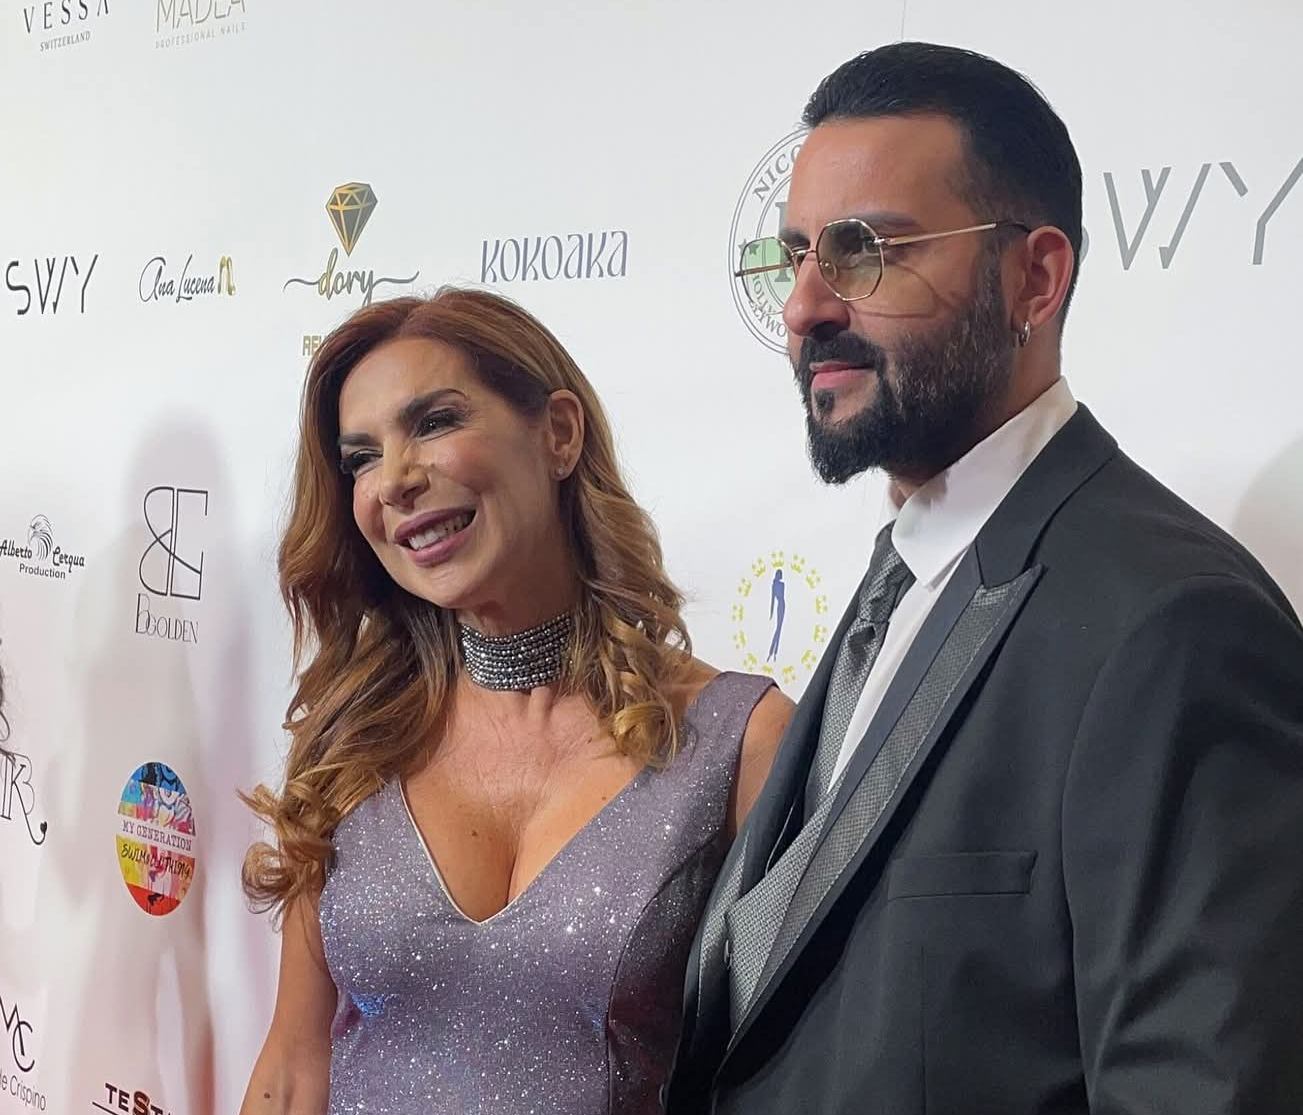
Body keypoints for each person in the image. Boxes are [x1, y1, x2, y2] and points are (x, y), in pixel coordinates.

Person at [669, 41, 1303, 1114]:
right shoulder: (902, 573)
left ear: (1034, 278)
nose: (805, 306)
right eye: (795, 255)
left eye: (865, 250)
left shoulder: (1172, 622)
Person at [238, 287, 793, 1115]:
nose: (396, 480)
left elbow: (791, 1072)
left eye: (434, 422)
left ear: (558, 432)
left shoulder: (739, 742)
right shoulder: (353, 737)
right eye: (361, 458)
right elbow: (292, 1067)